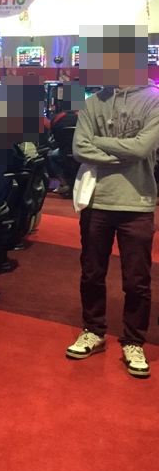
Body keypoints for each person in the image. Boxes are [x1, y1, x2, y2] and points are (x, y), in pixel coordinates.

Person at [67, 78, 159, 377]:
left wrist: (100, 142)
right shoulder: (93, 101)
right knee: (92, 272)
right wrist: (123, 153)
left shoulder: (154, 99)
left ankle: (133, 341)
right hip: (97, 200)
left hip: (137, 202)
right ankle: (94, 330)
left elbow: (142, 149)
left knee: (137, 280)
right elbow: (79, 148)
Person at [48, 109, 79, 195]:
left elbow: (52, 134)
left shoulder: (57, 118)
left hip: (63, 151)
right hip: (81, 151)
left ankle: (63, 183)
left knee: (52, 157)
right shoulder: (83, 117)